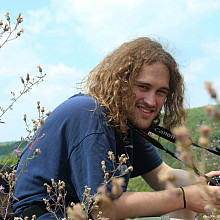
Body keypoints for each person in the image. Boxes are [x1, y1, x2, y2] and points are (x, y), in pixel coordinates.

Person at [13, 37, 220, 220]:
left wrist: (206, 185)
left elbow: (163, 176)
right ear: (121, 83)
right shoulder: (91, 115)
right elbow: (101, 209)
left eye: (160, 92)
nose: (151, 101)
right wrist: (184, 197)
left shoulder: (125, 121)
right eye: (143, 87)